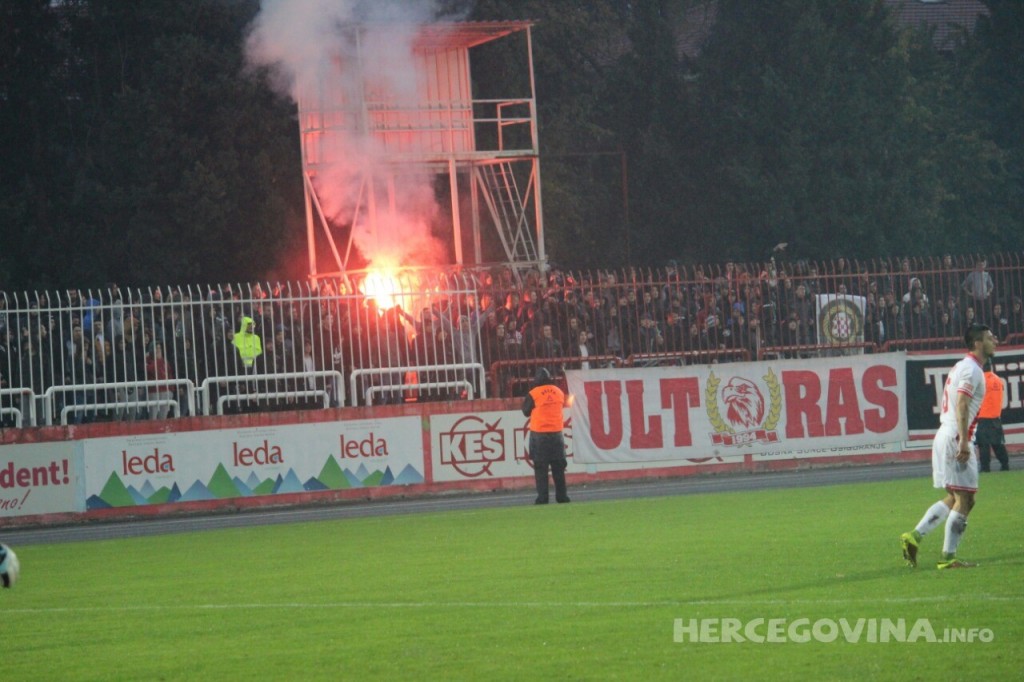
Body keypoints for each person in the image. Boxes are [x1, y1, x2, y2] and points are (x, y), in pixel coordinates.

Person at [900, 324, 998, 569]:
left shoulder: (962, 366)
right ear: (977, 343)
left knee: (956, 496)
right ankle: (947, 558)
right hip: (956, 436)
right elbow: (962, 404)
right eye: (989, 337)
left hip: (946, 433)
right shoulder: (972, 370)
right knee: (966, 500)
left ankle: (914, 536)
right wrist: (964, 442)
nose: (994, 340)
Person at [521, 368, 571, 505]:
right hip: (557, 434)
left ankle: (543, 498)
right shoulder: (558, 392)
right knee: (558, 468)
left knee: (541, 468)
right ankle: (562, 496)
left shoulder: (534, 393)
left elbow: (525, 411)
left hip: (539, 435)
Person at [975, 360, 1010, 472]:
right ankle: (1005, 464)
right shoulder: (998, 380)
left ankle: (985, 468)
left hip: (983, 416)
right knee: (997, 443)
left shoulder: (980, 381)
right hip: (995, 416)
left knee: (983, 444)